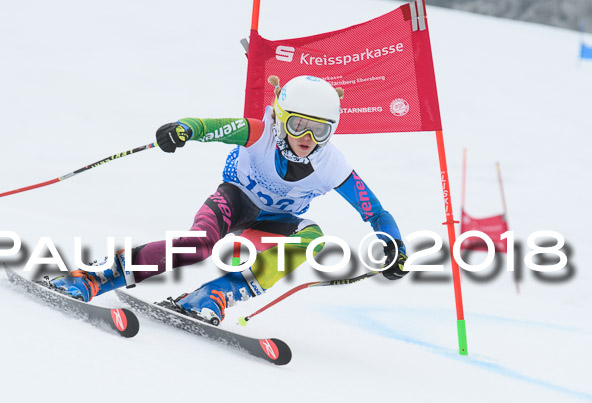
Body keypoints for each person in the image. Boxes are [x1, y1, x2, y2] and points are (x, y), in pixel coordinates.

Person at [50, 75, 409, 325]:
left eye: (321, 130)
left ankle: (212, 297)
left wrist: (395, 246)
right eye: (299, 125)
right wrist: (182, 129)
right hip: (235, 201)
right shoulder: (259, 132)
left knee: (310, 240)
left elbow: (375, 212)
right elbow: (207, 127)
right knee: (199, 245)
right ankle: (95, 276)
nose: (308, 138)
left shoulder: (332, 165)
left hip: (276, 223)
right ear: (282, 118)